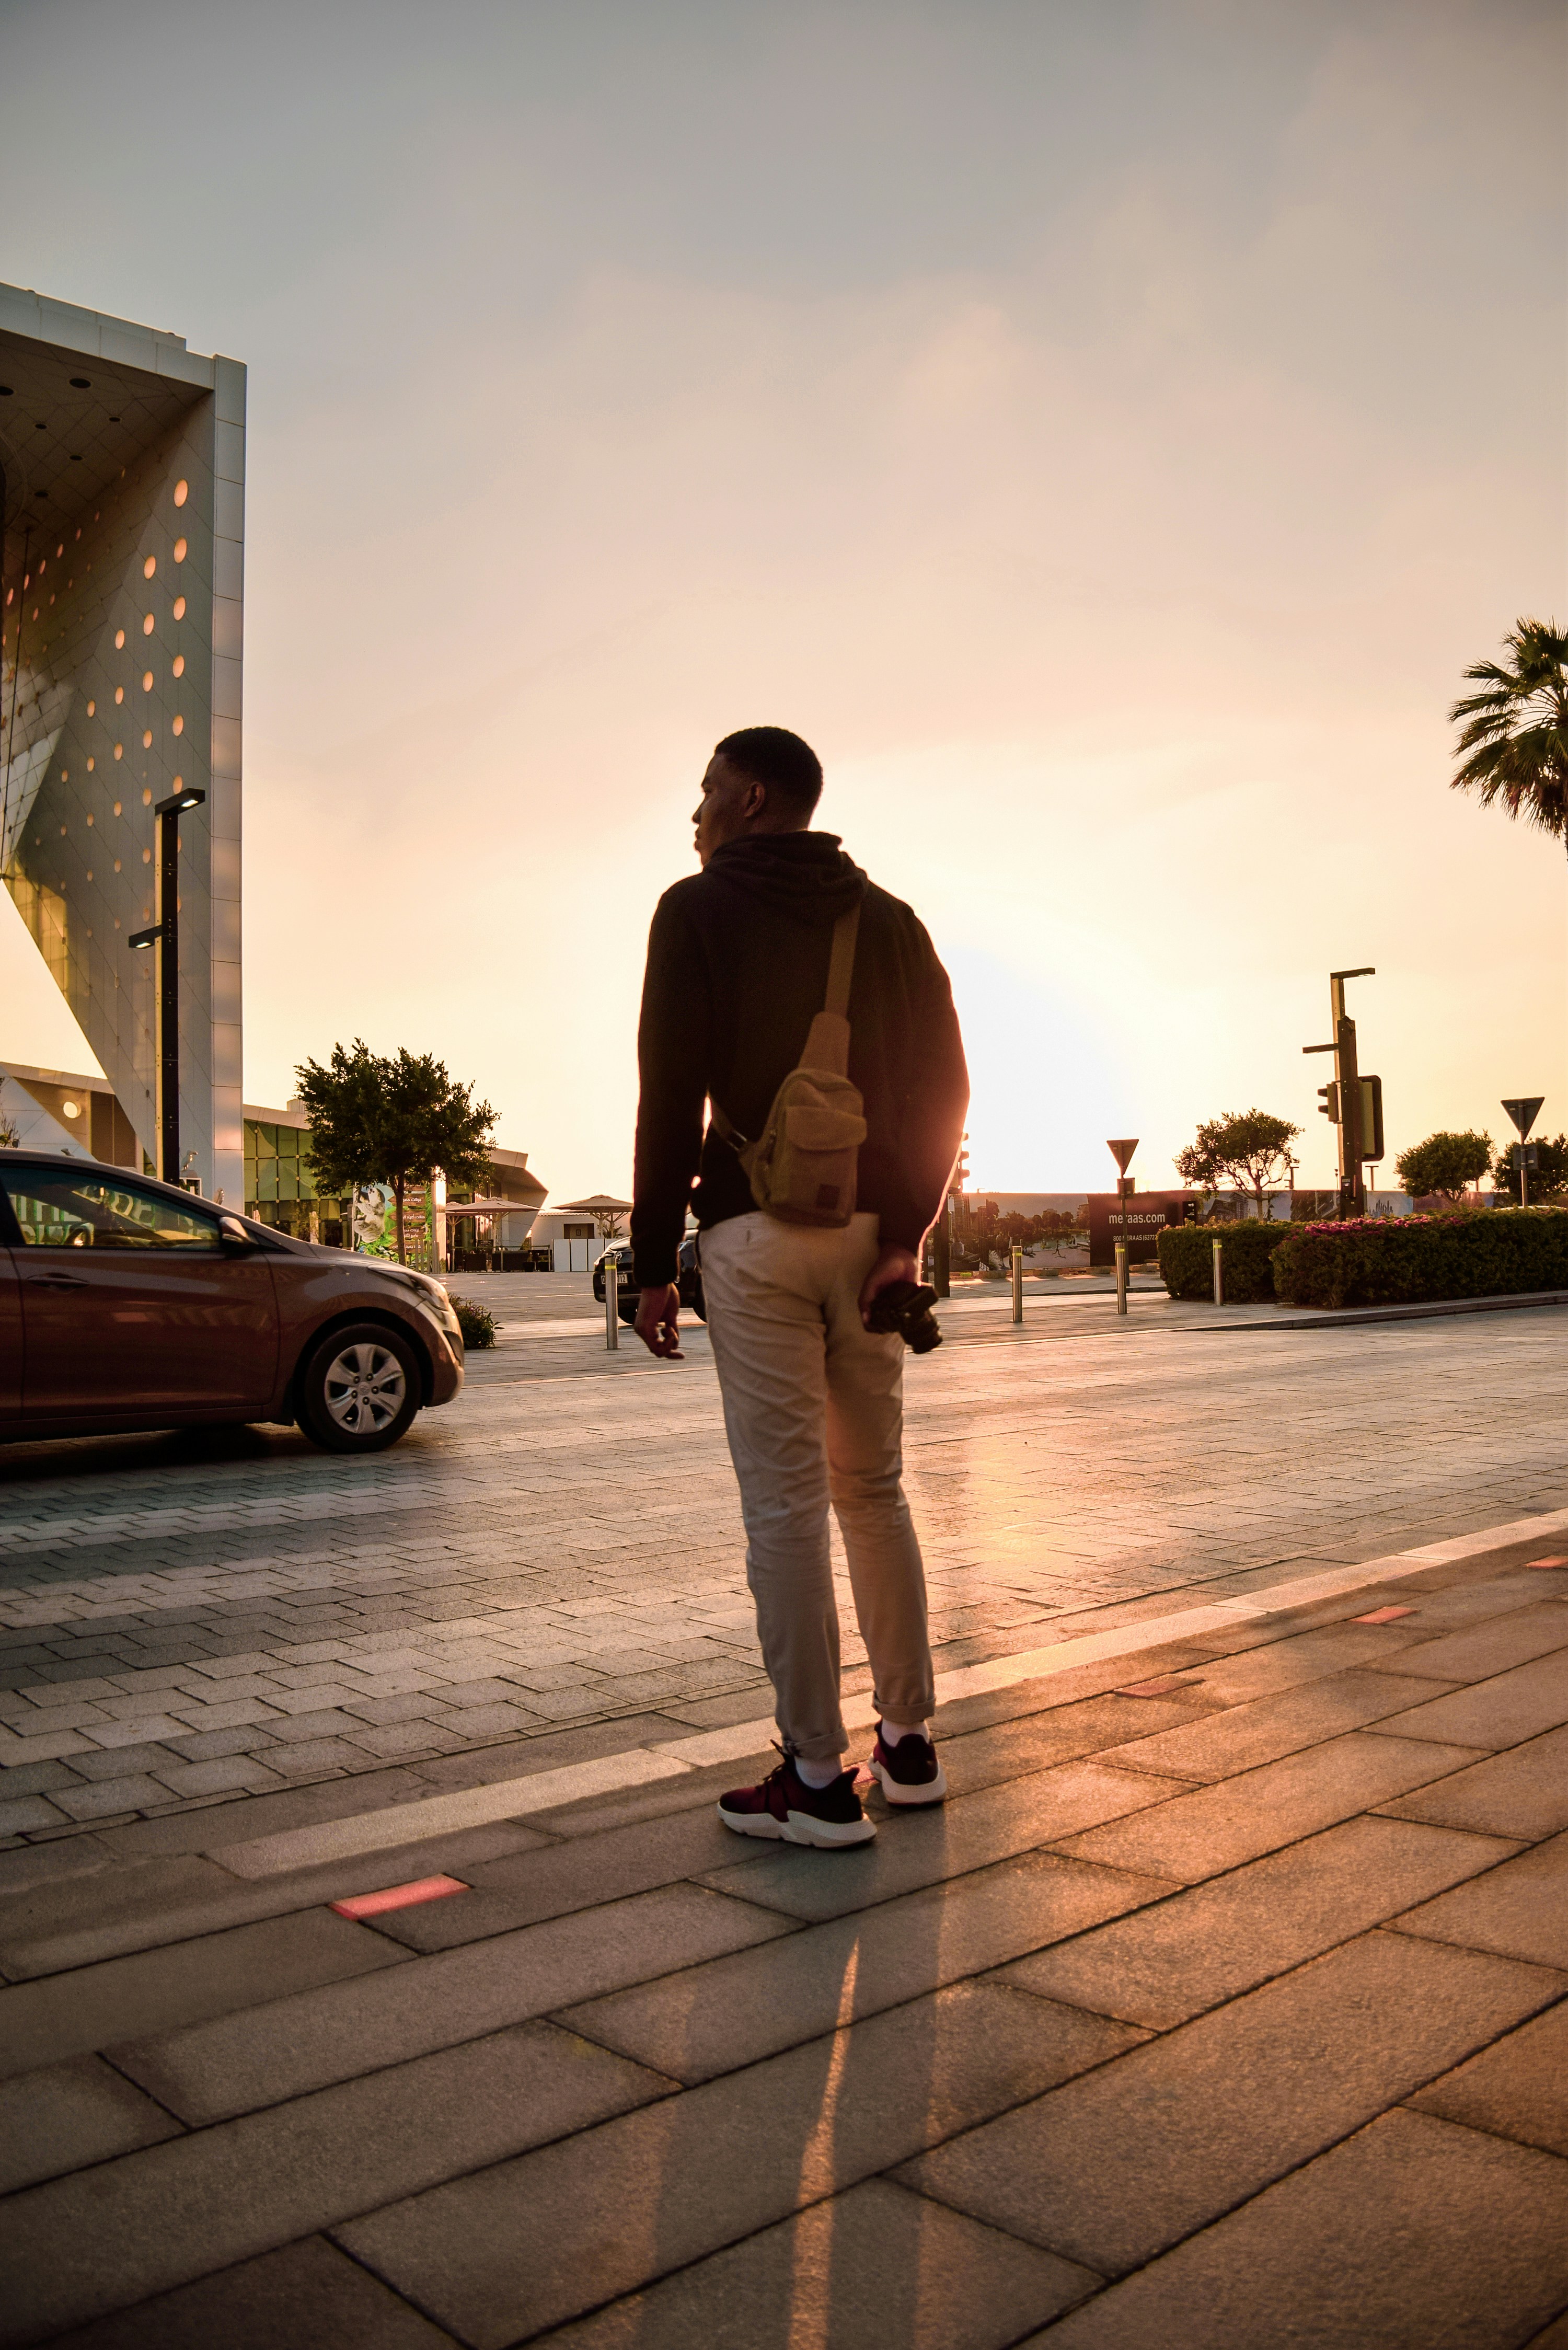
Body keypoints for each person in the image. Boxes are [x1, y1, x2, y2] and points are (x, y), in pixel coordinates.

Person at [631, 726, 969, 1846]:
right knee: (873, 1489)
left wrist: (648, 1263)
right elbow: (947, 1088)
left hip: (755, 1233)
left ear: (754, 795)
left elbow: (669, 1096)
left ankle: (817, 1779)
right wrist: (906, 1235)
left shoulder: (694, 909)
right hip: (871, 1241)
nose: (696, 812)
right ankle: (909, 1746)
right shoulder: (892, 921)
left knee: (786, 1504)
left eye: (708, 790)